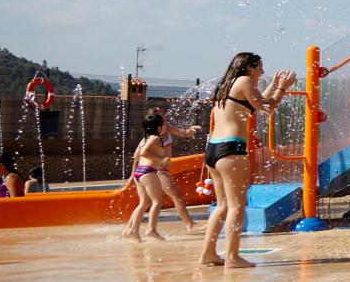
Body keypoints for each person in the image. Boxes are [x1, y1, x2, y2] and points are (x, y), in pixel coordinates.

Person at [199, 52, 296, 269]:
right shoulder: (244, 81)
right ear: (250, 68)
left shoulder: (228, 84)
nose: (262, 71)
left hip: (214, 150)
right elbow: (268, 108)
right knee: (236, 207)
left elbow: (254, 105)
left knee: (222, 206)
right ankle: (232, 257)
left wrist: (273, 85)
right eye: (260, 67)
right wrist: (282, 88)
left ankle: (208, 254)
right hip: (232, 150)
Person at [122, 111, 202, 241]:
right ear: (159, 126)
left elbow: (139, 154)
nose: (165, 119)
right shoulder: (155, 137)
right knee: (157, 201)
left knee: (144, 203)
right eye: (162, 118)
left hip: (142, 171)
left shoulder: (150, 136)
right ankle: (151, 230)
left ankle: (132, 230)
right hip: (149, 171)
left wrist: (191, 129)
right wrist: (162, 158)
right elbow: (141, 153)